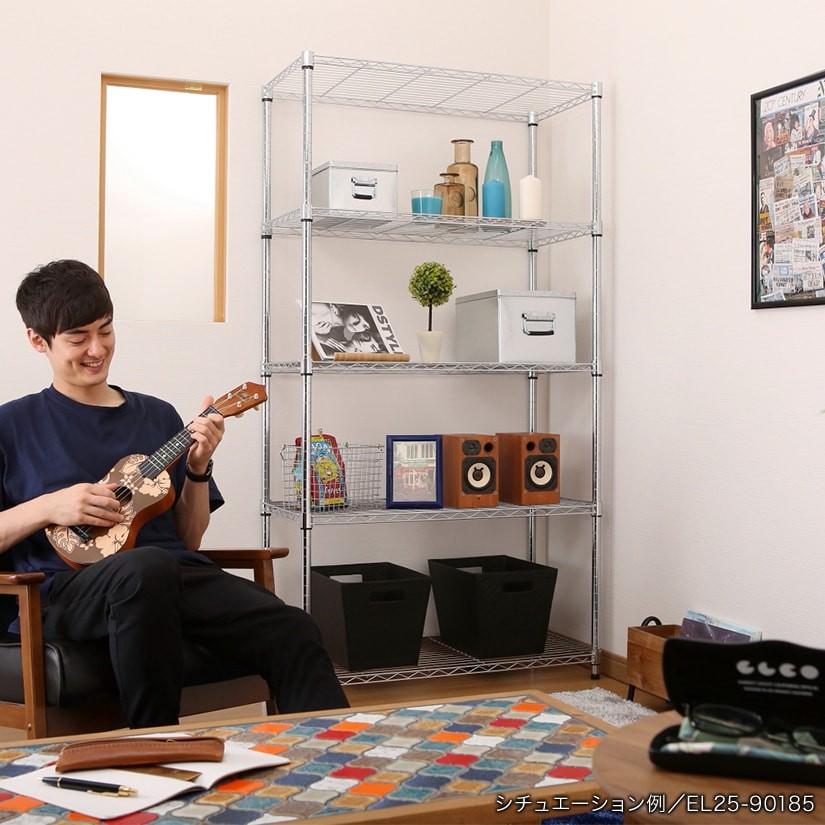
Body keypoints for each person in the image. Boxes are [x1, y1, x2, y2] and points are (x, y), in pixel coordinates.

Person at [0, 260, 348, 728]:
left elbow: (188, 540)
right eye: (78, 338)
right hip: (68, 591)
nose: (97, 349)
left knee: (292, 628)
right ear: (37, 340)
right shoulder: (12, 426)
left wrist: (199, 468)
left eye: (106, 330)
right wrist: (48, 506)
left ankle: (329, 755)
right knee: (147, 568)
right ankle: (156, 743)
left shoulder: (157, 415)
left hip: (174, 577)